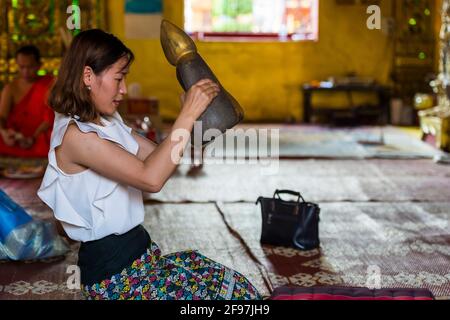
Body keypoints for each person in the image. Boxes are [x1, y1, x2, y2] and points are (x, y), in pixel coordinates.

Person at [37, 29, 261, 300]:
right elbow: (151, 179)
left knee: (232, 284)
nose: (123, 89)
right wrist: (186, 115)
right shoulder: (76, 137)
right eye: (119, 78)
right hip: (116, 279)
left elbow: (157, 158)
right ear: (87, 76)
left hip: (142, 258)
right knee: (223, 298)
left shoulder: (107, 121)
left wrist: (188, 121)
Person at [0, 45, 55, 157]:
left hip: (39, 136)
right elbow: (2, 117)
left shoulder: (49, 84)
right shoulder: (11, 88)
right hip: (15, 137)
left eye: (30, 67)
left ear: (39, 65)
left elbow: (49, 118)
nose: (25, 71)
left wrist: (33, 137)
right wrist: (4, 132)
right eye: (21, 67)